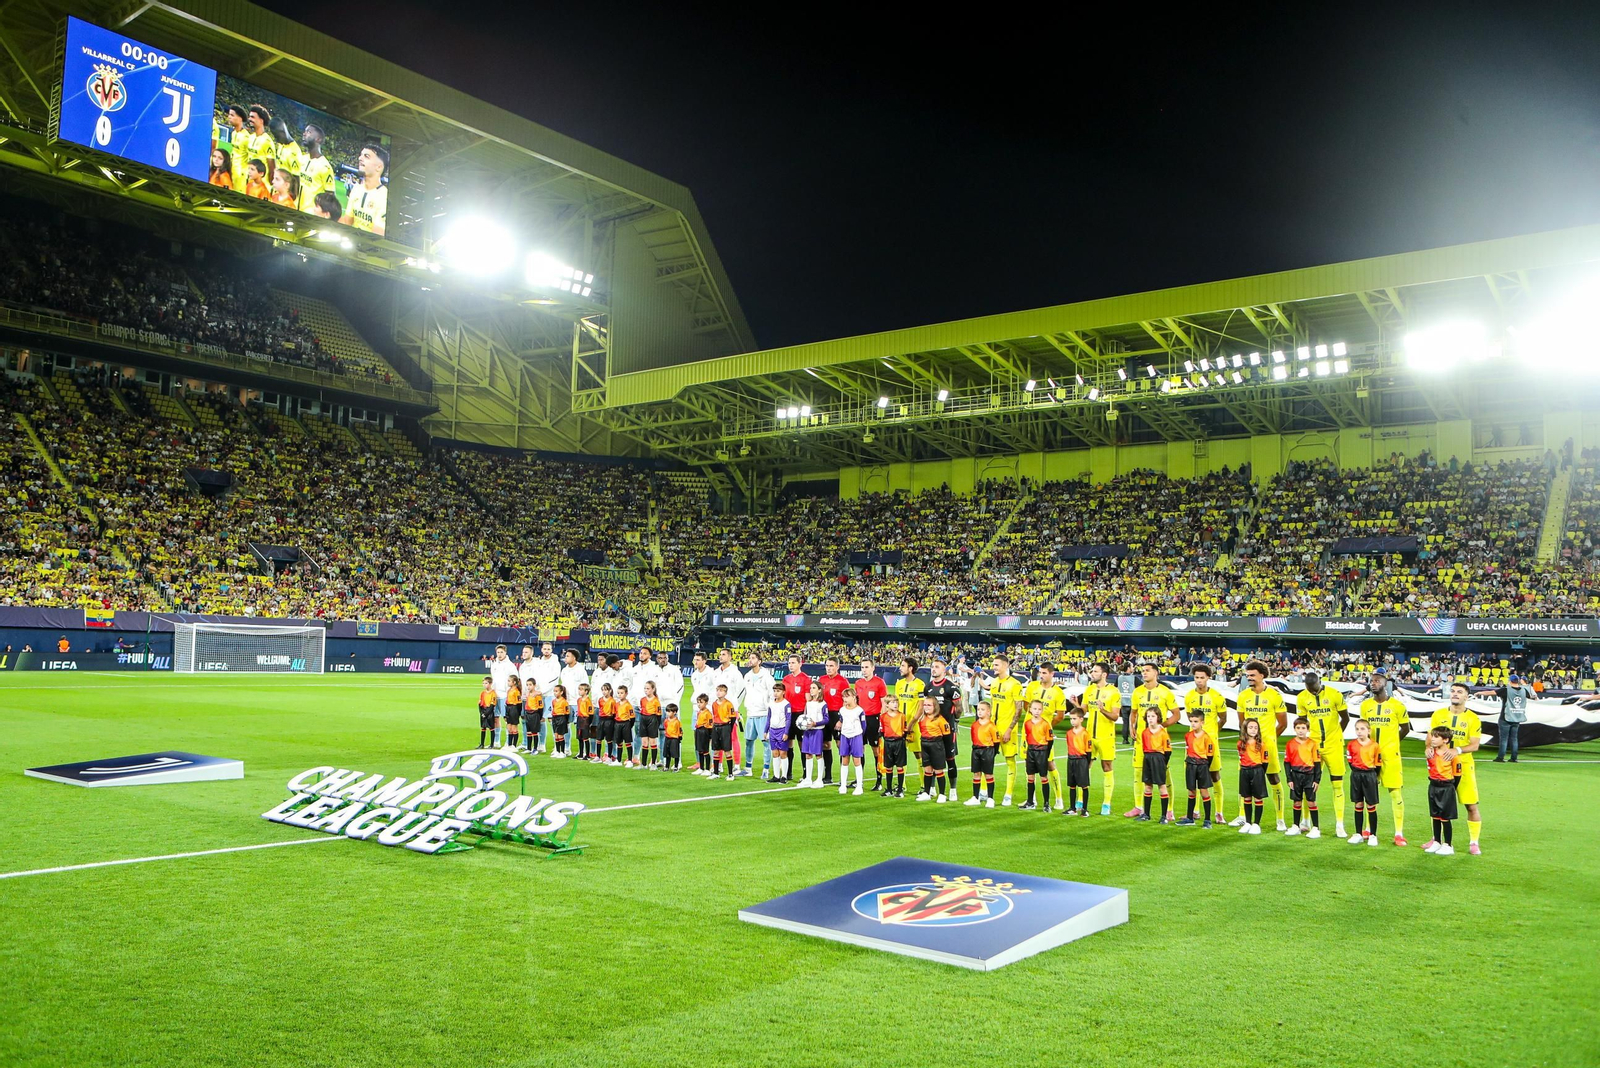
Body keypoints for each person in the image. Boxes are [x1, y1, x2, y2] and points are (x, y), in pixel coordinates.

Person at [1232, 661, 1288, 831]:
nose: (1249, 678)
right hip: (1248, 749)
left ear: (1262, 675)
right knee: (1246, 780)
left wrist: (1268, 740)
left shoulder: (1274, 695)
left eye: (1252, 675)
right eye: (1247, 675)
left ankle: (1280, 819)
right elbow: (1242, 723)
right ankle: (1243, 816)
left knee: (1273, 779)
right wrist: (1248, 741)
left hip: (1267, 747)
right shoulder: (1243, 696)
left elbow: (1283, 723)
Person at [1430, 681, 1485, 854]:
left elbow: (1475, 745)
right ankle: (1437, 840)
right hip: (1441, 767)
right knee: (1438, 805)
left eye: (1459, 692)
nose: (1455, 694)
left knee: (1471, 805)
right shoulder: (1438, 714)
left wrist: (1457, 750)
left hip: (1463, 766)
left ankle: (1474, 842)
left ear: (1466, 696)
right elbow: (1429, 737)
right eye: (1453, 691)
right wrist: (1428, 748)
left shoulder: (1473, 718)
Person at [1361, 670, 1411, 847]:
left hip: (1391, 756)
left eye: (1376, 681)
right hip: (1370, 756)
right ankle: (1368, 828)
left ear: (1385, 684)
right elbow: (1363, 729)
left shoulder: (1397, 706)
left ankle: (1399, 833)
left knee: (1394, 792)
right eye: (1371, 681)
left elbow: (1406, 728)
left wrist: (1392, 744)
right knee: (1370, 793)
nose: (1373, 683)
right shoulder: (1365, 705)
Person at [1297, 670, 1349, 838]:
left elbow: (1345, 718)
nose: (1312, 691)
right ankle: (1305, 821)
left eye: (1314, 687)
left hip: (1333, 746)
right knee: (1309, 784)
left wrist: (1336, 735)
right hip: (1313, 747)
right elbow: (1302, 723)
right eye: (1308, 688)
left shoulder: (1334, 694)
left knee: (1337, 784)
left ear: (1319, 682)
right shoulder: (1302, 698)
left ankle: (1339, 825)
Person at [1128, 663, 1179, 820]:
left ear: (1156, 673)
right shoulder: (1137, 692)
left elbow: (1176, 715)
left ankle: (1169, 809)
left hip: (1159, 744)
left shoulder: (1165, 692)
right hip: (1142, 740)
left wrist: (1161, 726)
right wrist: (1131, 727)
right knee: (1139, 772)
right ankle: (1139, 807)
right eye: (1142, 671)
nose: (1144, 673)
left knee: (1165, 775)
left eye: (1147, 671)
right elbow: (1133, 712)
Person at [1184, 663, 1228, 823]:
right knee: (1192, 778)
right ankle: (1195, 811)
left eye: (1202, 678)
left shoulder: (1217, 696)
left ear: (1208, 678)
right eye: (1196, 677)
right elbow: (1190, 716)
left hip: (1210, 745)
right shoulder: (1189, 696)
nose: (1199, 681)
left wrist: (1213, 734)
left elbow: (1223, 718)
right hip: (1193, 746)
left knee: (1215, 775)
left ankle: (1219, 812)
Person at [1077, 661, 1122, 815]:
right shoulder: (1089, 689)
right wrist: (1076, 705)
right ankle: (1080, 800)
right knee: (1085, 766)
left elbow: (1115, 716)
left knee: (1107, 767)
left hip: (1106, 736)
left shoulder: (1114, 692)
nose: (1092, 673)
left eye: (1095, 671)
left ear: (1104, 674)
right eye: (1092, 671)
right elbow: (1083, 711)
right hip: (1089, 735)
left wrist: (1102, 710)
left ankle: (1106, 804)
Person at [1022, 662, 1068, 810]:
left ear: (1052, 674)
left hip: (1043, 736)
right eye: (1040, 673)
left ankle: (1058, 798)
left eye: (1044, 673)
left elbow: (1060, 716)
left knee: (1049, 764)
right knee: (1028, 763)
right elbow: (1025, 706)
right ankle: (1032, 799)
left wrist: (1046, 727)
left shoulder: (1058, 693)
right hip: (1028, 732)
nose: (1041, 676)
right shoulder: (1032, 687)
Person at [987, 654, 1026, 806]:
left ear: (1005, 666)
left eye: (996, 665)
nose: (993, 667)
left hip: (1007, 728)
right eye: (993, 664)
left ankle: (1008, 794)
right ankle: (984, 791)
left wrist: (1010, 728)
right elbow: (992, 703)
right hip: (992, 728)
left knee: (1010, 760)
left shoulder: (1015, 685)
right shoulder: (994, 682)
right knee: (987, 759)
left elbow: (1019, 709)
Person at [1283, 716, 1323, 839]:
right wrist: (1289, 779)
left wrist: (1317, 780)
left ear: (1307, 729)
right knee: (1297, 800)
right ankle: (1295, 826)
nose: (1301, 730)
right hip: (1295, 775)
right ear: (1294, 729)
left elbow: (1317, 763)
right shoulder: (1290, 744)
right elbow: (1286, 763)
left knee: (1311, 801)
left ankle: (1316, 827)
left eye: (1303, 728)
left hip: (1309, 775)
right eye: (1298, 728)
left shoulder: (1312, 744)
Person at [1424, 726, 1461, 856]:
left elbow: (1457, 775)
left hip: (1446, 787)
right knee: (1435, 815)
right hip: (1433, 786)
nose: (1432, 739)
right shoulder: (1430, 752)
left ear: (1445, 740)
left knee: (1445, 817)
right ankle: (1437, 841)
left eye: (1436, 737)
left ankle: (1448, 844)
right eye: (1432, 736)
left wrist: (1450, 789)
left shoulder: (1452, 756)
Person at [1176, 707, 1215, 827]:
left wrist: (1203, 765)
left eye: (1196, 721)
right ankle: (1189, 818)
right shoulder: (1188, 736)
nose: (1193, 724)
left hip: (1202, 765)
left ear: (1202, 722)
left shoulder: (1207, 737)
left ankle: (1207, 820)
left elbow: (1210, 755)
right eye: (1191, 721)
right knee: (1191, 791)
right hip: (1191, 765)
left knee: (1204, 791)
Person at [1346, 719, 1383, 846]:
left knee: (1371, 805)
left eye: (1362, 729)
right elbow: (1350, 761)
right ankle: (1358, 834)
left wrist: (1374, 777)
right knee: (1358, 804)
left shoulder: (1375, 745)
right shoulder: (1351, 745)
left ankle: (1373, 835)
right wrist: (1357, 772)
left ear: (1369, 731)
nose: (1359, 732)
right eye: (1357, 729)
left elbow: (1378, 764)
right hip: (1356, 775)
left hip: (1370, 775)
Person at [893, 657, 927, 792]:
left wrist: (912, 723)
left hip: (915, 726)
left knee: (919, 754)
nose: (900, 668)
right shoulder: (899, 684)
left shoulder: (920, 684)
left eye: (902, 665)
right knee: (899, 754)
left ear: (910, 668)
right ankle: (902, 785)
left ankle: (924, 785)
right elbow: (896, 704)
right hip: (900, 724)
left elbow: (921, 706)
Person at [855, 657, 888, 791]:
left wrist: (881, 720)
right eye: (862, 667)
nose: (864, 670)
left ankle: (879, 780)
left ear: (873, 668)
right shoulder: (858, 683)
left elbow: (884, 703)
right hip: (860, 719)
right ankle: (859, 779)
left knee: (876, 749)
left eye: (866, 667)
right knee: (860, 748)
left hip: (873, 719)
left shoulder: (879, 683)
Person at [341, 143, 388, 235]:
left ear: (379, 167)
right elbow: (347, 222)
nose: (360, 158)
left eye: (366, 156)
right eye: (361, 155)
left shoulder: (384, 197)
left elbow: (376, 235)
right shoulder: (356, 189)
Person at [1020, 699, 1059, 812]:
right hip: (1031, 751)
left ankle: (1046, 804)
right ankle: (1030, 801)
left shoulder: (1046, 724)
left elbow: (1050, 741)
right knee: (1030, 777)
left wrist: (1045, 753)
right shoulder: (1027, 723)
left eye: (1039, 709)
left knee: (1043, 777)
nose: (1037, 711)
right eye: (1035, 709)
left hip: (1042, 751)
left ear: (1042, 710)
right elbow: (1027, 737)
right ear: (1030, 710)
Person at [742, 652, 775, 779]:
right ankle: (748, 768)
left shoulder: (766, 676)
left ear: (759, 661)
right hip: (751, 713)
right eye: (749, 658)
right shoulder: (747, 676)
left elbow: (773, 694)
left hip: (763, 713)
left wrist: (768, 707)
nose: (750, 660)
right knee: (749, 741)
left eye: (753, 658)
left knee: (765, 742)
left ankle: (766, 769)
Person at [1137, 707, 1172, 823]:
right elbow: (1143, 748)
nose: (1150, 719)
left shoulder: (1163, 733)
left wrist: (1162, 763)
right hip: (1147, 758)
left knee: (1162, 786)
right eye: (1148, 716)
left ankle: (1163, 816)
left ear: (1158, 718)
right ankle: (1146, 814)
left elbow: (1168, 751)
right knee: (1147, 786)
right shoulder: (1144, 732)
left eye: (1153, 716)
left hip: (1159, 758)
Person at [1490, 671, 1534, 763]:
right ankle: (1514, 758)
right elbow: (1532, 697)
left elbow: (1491, 692)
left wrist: (1479, 693)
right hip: (1517, 717)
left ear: (1510, 681)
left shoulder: (1506, 690)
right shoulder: (1523, 690)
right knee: (1514, 738)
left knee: (1504, 738)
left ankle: (1500, 757)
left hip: (1506, 717)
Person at [818, 658, 849, 786]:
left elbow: (847, 702)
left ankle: (843, 777)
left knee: (840, 745)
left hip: (837, 715)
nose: (828, 668)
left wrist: (841, 719)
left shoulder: (843, 682)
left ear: (837, 667)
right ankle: (828, 775)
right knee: (825, 745)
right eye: (827, 666)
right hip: (824, 715)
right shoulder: (822, 680)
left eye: (831, 666)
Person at [783, 655, 812, 788]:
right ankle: (788, 773)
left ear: (800, 664)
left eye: (793, 663)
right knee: (788, 743)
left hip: (800, 715)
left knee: (802, 745)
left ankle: (805, 774)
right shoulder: (786, 679)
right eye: (789, 663)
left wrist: (805, 717)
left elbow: (808, 700)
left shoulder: (806, 679)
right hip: (788, 715)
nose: (791, 665)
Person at [915, 696, 951, 803]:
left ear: (935, 706)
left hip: (936, 745)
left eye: (929, 705)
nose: (926, 707)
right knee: (927, 770)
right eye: (925, 705)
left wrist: (946, 751)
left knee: (938, 771)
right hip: (924, 744)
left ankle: (942, 794)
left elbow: (947, 736)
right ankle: (926, 792)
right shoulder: (922, 717)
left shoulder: (940, 720)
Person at [1237, 717, 1268, 835]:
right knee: (1247, 797)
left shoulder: (1261, 744)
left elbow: (1265, 761)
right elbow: (1241, 757)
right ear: (1245, 729)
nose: (1253, 730)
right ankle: (1248, 822)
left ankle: (1256, 824)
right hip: (1244, 771)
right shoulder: (1240, 744)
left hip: (1257, 771)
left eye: (1256, 728)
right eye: (1250, 727)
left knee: (1258, 798)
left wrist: (1260, 773)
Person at [966, 701, 999, 808]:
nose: (979, 712)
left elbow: (996, 741)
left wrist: (992, 753)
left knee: (988, 774)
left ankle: (990, 798)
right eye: (978, 709)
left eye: (982, 709)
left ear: (988, 712)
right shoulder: (974, 725)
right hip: (976, 750)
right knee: (976, 774)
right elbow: (973, 738)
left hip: (987, 750)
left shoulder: (992, 726)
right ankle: (975, 797)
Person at [297, 124, 336, 213]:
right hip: (293, 210)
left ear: (318, 139)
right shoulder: (302, 158)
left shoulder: (325, 166)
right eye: (305, 131)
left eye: (309, 132)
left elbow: (330, 196)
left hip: (310, 216)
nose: (304, 134)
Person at [837, 688, 867, 795]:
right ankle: (843, 785)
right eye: (843, 696)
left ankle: (859, 786)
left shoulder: (859, 711)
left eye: (847, 696)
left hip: (856, 736)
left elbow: (864, 727)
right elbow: (841, 721)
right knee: (844, 760)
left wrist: (859, 738)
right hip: (845, 736)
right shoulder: (842, 710)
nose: (845, 699)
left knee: (857, 760)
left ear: (854, 697)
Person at [1063, 708, 1093, 816]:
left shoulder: (1085, 734)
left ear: (1081, 719)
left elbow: (1089, 751)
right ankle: (1072, 808)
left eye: (1074, 719)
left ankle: (1084, 809)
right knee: (1072, 785)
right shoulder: (1069, 733)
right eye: (1071, 719)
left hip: (1081, 760)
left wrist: (1087, 763)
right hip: (1071, 760)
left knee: (1084, 785)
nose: (1072, 721)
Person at [879, 694, 909, 798]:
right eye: (892, 702)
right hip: (888, 742)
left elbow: (905, 730)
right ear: (887, 705)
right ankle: (888, 789)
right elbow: (882, 731)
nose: (895, 704)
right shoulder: (883, 717)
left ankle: (900, 789)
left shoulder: (902, 716)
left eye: (896, 702)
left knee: (900, 766)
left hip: (899, 742)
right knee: (888, 766)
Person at [800, 681, 827, 788]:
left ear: (819, 690)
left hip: (817, 731)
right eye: (810, 688)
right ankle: (808, 778)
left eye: (814, 688)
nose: (811, 690)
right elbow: (805, 716)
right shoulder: (808, 703)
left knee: (818, 754)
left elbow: (826, 719)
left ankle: (819, 779)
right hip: (808, 731)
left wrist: (816, 723)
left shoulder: (823, 704)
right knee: (807, 754)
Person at [711, 683, 739, 780]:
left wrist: (728, 729)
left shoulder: (728, 704)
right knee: (716, 751)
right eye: (717, 690)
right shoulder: (714, 704)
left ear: (725, 693)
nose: (718, 692)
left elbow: (733, 717)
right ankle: (715, 772)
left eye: (721, 691)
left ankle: (730, 774)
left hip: (725, 727)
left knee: (727, 751)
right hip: (716, 727)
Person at [766, 683, 792, 783]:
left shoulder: (786, 704)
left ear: (783, 692)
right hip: (772, 730)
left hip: (781, 730)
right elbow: (769, 717)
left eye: (778, 691)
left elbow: (788, 719)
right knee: (775, 753)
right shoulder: (771, 703)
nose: (776, 693)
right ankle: (776, 776)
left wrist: (786, 732)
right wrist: (766, 730)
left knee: (783, 753)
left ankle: (784, 776)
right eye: (775, 691)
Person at [638, 680, 662, 769]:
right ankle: (643, 764)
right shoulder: (642, 700)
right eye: (645, 688)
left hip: (652, 719)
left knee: (652, 742)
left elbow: (659, 715)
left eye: (648, 688)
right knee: (644, 742)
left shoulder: (656, 701)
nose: (646, 690)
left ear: (653, 689)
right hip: (643, 719)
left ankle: (653, 764)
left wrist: (656, 725)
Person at [611, 684, 636, 767]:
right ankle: (618, 760)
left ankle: (629, 760)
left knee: (628, 742)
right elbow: (614, 714)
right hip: (617, 723)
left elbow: (632, 718)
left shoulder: (628, 705)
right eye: (618, 693)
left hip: (625, 723)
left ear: (626, 694)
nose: (620, 695)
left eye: (622, 693)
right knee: (619, 742)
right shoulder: (616, 704)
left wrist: (629, 726)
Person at [692, 693, 715, 776]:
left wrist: (709, 736)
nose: (699, 704)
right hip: (698, 730)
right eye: (698, 702)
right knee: (700, 750)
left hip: (704, 731)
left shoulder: (708, 713)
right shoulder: (699, 712)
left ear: (706, 703)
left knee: (705, 751)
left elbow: (710, 725)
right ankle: (701, 768)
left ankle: (708, 769)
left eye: (701, 702)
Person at [597, 683, 618, 764]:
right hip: (601, 720)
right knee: (598, 739)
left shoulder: (612, 701)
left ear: (610, 691)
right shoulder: (600, 700)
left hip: (609, 720)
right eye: (602, 690)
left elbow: (613, 713)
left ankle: (609, 756)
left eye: (605, 690)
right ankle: (598, 756)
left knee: (609, 739)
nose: (604, 692)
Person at [550, 685, 571, 759]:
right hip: (554, 718)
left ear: (561, 692)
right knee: (556, 735)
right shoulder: (553, 701)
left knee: (560, 735)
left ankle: (562, 752)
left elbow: (567, 712)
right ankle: (557, 751)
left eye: (556, 691)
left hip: (561, 718)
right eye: (554, 691)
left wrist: (566, 721)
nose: (555, 693)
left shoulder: (564, 701)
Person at [477, 676, 497, 749]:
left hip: (489, 712)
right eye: (483, 683)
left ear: (490, 683)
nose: (484, 685)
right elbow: (480, 704)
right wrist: (481, 713)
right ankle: (482, 744)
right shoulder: (482, 693)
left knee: (491, 728)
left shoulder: (493, 693)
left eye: (486, 683)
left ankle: (492, 744)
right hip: (483, 711)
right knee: (483, 728)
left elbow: (492, 705)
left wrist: (485, 714)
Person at [503, 676, 523, 751]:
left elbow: (519, 703)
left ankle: (514, 746)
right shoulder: (509, 690)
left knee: (514, 727)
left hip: (514, 708)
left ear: (514, 682)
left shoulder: (516, 691)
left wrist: (518, 713)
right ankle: (509, 744)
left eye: (509, 681)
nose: (508, 682)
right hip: (508, 707)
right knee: (509, 727)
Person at [662, 704, 684, 771]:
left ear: (674, 712)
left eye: (669, 712)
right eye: (667, 711)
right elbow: (665, 727)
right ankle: (666, 766)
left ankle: (676, 766)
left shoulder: (677, 722)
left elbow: (680, 730)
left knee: (675, 753)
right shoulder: (666, 720)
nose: (668, 713)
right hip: (667, 738)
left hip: (674, 738)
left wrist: (679, 737)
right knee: (667, 753)